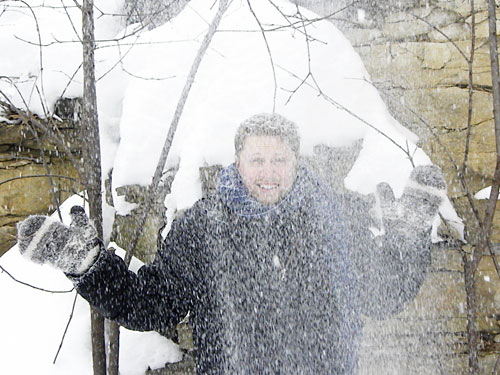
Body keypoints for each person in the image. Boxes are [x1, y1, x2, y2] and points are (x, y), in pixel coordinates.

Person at [16, 113, 446, 375]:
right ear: (237, 163)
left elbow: (380, 294)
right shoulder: (205, 228)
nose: (269, 172)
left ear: (296, 162)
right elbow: (153, 303)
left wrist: (407, 240)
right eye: (257, 160)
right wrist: (91, 266)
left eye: (279, 160)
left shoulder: (334, 218)